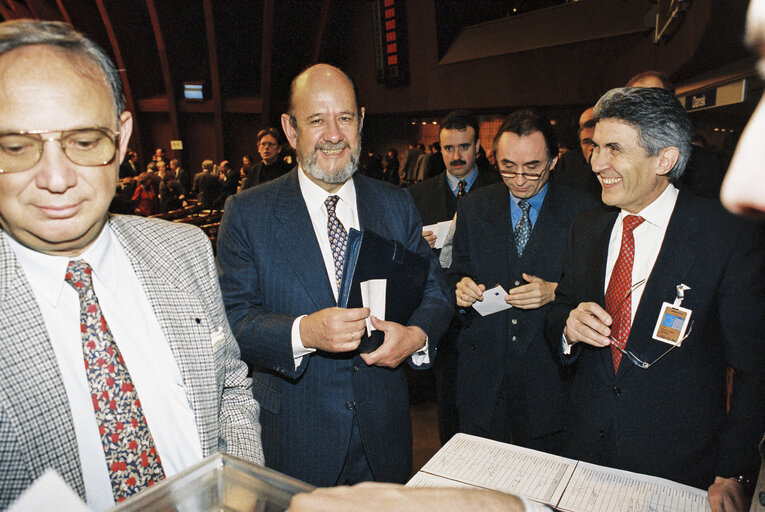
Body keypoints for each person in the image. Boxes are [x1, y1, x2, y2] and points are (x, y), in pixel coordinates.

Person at [0, 20, 262, 510]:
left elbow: (229, 388)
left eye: (83, 142)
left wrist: (243, 495)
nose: (57, 179)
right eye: (15, 147)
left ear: (121, 140)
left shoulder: (183, 250)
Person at [217, 64, 451, 488]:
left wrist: (415, 337)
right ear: (290, 130)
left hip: (386, 436)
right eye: (316, 120)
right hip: (295, 439)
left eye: (344, 118)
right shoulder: (247, 213)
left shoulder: (396, 204)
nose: (333, 134)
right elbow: (235, 320)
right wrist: (304, 332)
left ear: (361, 121)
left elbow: (436, 291)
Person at [544, 87, 764, 500]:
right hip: (586, 454)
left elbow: (754, 368)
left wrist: (734, 471)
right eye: (594, 147)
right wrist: (568, 327)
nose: (596, 163)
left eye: (614, 149)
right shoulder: (586, 228)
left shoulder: (725, 234)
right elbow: (560, 309)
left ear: (664, 159)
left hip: (679, 468)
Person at [448, 110, 599, 454]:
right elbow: (455, 273)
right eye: (507, 166)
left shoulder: (585, 213)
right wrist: (459, 290)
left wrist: (556, 292)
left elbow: (598, 295)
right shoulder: (473, 207)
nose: (519, 179)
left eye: (532, 167)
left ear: (554, 159)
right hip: (483, 382)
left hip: (549, 384)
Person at [407, 110, 501, 445]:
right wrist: (415, 246)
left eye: (464, 147)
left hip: (489, 308)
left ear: (478, 147)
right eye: (449, 148)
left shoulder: (500, 189)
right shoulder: (418, 195)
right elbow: (403, 260)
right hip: (441, 313)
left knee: (492, 405)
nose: (456, 156)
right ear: (439, 149)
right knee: (448, 403)